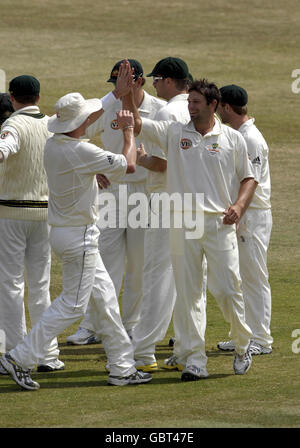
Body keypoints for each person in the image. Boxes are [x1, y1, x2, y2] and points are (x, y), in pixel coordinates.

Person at [0, 62, 152, 390]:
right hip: (80, 237)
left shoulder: (56, 144)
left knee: (107, 302)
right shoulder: (81, 151)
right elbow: (128, 164)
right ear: (80, 122)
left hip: (68, 234)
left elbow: (91, 118)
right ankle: (19, 357)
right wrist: (128, 131)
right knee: (72, 305)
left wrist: (118, 95)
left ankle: (122, 369)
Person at [122, 78, 258, 381]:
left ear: (213, 105)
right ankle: (196, 360)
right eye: (189, 102)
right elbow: (138, 122)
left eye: (196, 103)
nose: (190, 108)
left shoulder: (232, 139)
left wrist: (238, 206)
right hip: (183, 222)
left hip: (218, 223)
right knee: (189, 293)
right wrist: (128, 94)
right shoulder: (175, 132)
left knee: (226, 290)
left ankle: (242, 343)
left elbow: (249, 178)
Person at [66, 59, 165, 345]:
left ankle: (131, 325)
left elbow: (165, 158)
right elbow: (76, 136)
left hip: (144, 196)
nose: (119, 90)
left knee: (137, 264)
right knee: (102, 263)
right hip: (110, 194)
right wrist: (92, 168)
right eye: (115, 85)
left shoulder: (158, 110)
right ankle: (92, 325)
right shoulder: (107, 107)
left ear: (140, 82)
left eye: (124, 85)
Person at [130, 56, 207, 372]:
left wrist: (142, 159)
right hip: (195, 204)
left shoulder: (167, 111)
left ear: (170, 81)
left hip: (165, 204)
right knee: (190, 280)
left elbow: (161, 164)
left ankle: (143, 352)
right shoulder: (197, 111)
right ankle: (187, 351)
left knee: (157, 275)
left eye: (157, 79)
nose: (155, 84)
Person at [0, 75, 64, 375]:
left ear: (12, 98)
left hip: (12, 215)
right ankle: (47, 354)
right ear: (38, 97)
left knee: (11, 285)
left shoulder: (12, 125)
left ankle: (15, 353)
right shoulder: (51, 125)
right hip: (45, 215)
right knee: (40, 286)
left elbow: (6, 147)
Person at [216, 84, 273, 355]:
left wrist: (240, 213)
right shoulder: (239, 134)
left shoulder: (250, 138)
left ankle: (261, 339)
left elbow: (253, 183)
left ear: (227, 107)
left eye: (217, 106)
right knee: (240, 279)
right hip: (243, 214)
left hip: (253, 216)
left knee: (254, 277)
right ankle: (245, 335)